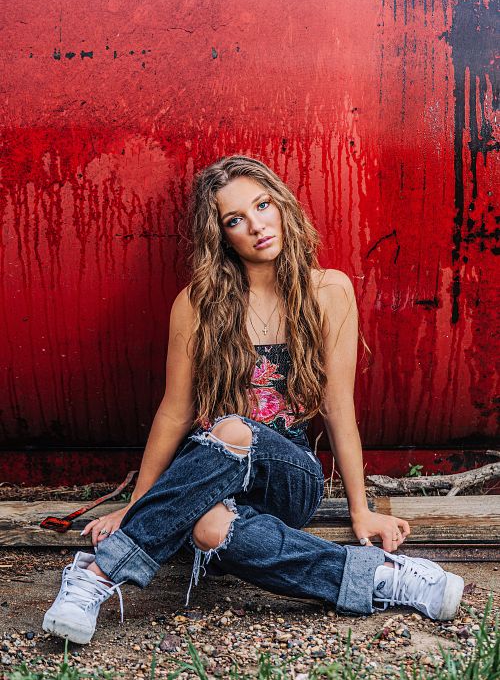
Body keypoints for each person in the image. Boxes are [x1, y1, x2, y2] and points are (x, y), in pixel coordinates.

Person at [42, 155, 464, 645]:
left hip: (289, 473)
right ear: (221, 236)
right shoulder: (197, 304)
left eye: (263, 205)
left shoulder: (329, 290)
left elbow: (337, 408)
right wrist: (136, 505)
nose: (257, 226)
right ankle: (385, 579)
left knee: (234, 428)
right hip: (209, 477)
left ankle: (96, 575)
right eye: (235, 219)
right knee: (208, 530)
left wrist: (361, 509)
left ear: (282, 206)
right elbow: (175, 412)